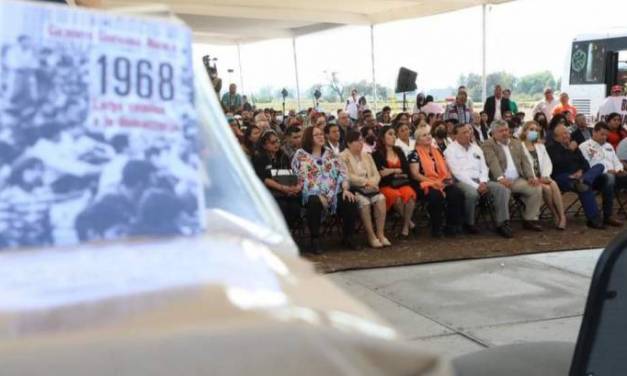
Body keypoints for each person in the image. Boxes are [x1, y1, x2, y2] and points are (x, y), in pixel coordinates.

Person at [292, 127, 359, 254]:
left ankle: (348, 237)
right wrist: (318, 193)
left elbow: (342, 172)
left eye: (321, 134)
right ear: (309, 138)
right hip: (311, 192)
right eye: (316, 135)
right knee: (314, 201)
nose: (320, 137)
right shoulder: (300, 155)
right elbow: (301, 178)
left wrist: (345, 188)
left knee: (349, 199)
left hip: (333, 191)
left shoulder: (330, 153)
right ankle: (315, 239)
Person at [444, 123, 511, 236]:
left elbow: (484, 167)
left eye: (468, 131)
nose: (468, 134)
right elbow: (457, 173)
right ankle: (469, 223)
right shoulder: (450, 150)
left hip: (481, 180)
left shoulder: (476, 148)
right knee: (472, 194)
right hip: (462, 181)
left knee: (501, 189)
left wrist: (483, 182)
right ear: (455, 136)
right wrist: (477, 186)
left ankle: (502, 223)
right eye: (464, 133)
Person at [481, 120, 544, 233]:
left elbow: (525, 162)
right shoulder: (488, 144)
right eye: (501, 131)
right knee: (503, 191)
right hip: (496, 180)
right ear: (493, 133)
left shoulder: (516, 143)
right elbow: (492, 162)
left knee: (536, 188)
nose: (505, 133)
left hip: (516, 180)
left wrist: (530, 176)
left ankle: (529, 219)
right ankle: (503, 223)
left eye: (506, 130)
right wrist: (501, 178)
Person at [408, 127, 465, 237]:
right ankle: (436, 228)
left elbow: (445, 167)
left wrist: (447, 179)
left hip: (441, 181)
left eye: (429, 134)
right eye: (424, 135)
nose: (428, 136)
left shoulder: (437, 151)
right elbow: (415, 174)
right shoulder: (414, 154)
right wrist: (433, 182)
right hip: (424, 184)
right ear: (418, 140)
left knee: (456, 193)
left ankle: (452, 226)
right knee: (435, 195)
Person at [547, 125, 605, 229]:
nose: (568, 135)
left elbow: (585, 164)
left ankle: (585, 180)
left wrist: (581, 171)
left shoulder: (575, 147)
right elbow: (558, 164)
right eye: (564, 133)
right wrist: (569, 150)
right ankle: (594, 219)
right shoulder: (551, 147)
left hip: (581, 176)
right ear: (556, 137)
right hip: (563, 177)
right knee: (583, 187)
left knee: (600, 166)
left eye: (568, 133)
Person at [340, 131, 390, 248]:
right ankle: (371, 235)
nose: (361, 143)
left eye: (361, 140)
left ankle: (380, 234)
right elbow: (347, 176)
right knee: (365, 202)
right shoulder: (342, 156)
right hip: (355, 189)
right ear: (349, 143)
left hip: (371, 187)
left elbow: (376, 174)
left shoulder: (367, 155)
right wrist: (365, 182)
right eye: (357, 141)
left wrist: (372, 182)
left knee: (381, 198)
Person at [519, 121, 566, 230]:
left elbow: (547, 162)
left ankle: (562, 217)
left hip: (542, 177)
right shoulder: (519, 147)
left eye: (536, 130)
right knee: (547, 189)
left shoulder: (540, 146)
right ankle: (555, 214)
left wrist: (545, 176)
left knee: (552, 184)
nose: (534, 132)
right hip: (529, 179)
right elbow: (521, 166)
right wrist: (536, 178)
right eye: (531, 129)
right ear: (525, 131)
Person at [372, 126, 417, 239]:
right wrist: (397, 171)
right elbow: (382, 175)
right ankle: (409, 222)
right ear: (382, 137)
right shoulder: (377, 154)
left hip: (402, 183)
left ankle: (405, 227)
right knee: (396, 197)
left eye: (394, 134)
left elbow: (406, 170)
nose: (393, 137)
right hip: (386, 185)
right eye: (390, 134)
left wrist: (392, 171)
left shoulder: (399, 150)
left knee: (410, 196)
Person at [578, 122, 626, 226]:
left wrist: (619, 169)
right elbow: (587, 167)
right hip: (597, 178)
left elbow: (616, 161)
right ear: (594, 132)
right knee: (609, 178)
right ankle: (608, 216)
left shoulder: (608, 146)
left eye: (606, 135)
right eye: (602, 134)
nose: (604, 137)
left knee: (619, 176)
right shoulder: (584, 146)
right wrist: (606, 171)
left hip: (614, 175)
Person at [253, 131, 302, 230]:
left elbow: (289, 174)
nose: (276, 144)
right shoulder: (259, 157)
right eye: (272, 142)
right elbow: (264, 179)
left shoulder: (283, 156)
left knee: (295, 205)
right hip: (269, 190)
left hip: (285, 188)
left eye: (277, 141)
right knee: (282, 206)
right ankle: (281, 232)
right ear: (264, 145)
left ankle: (290, 232)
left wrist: (293, 187)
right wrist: (282, 188)